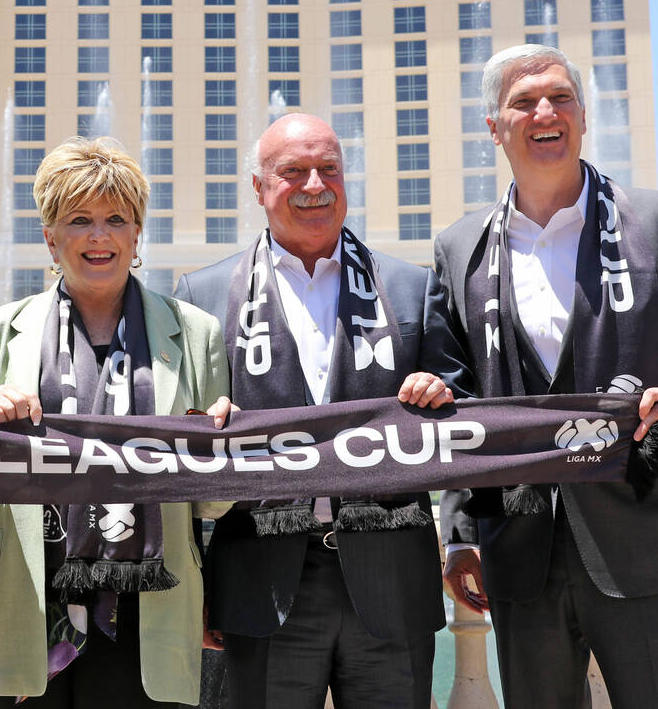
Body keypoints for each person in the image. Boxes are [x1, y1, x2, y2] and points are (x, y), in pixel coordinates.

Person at [435, 44, 658, 709]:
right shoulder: (459, 249)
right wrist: (459, 535)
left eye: (561, 96)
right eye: (524, 101)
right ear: (495, 127)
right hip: (520, 557)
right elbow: (461, 409)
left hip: (648, 547)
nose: (546, 111)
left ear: (581, 115)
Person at [174, 113, 469, 709]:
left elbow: (467, 423)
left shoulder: (413, 288)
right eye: (293, 172)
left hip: (390, 582)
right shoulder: (201, 296)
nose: (315, 185)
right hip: (259, 582)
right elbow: (182, 460)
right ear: (259, 188)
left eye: (329, 169)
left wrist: (439, 395)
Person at [0, 136, 234, 708]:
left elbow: (213, 506)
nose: (98, 235)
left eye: (116, 219)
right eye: (79, 219)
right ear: (50, 237)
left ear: (137, 236)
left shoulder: (199, 333)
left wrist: (217, 457)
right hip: (27, 603)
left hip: (149, 612)